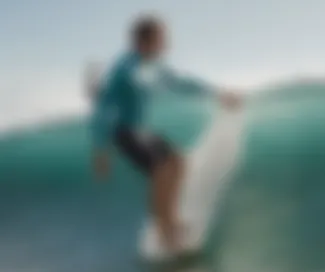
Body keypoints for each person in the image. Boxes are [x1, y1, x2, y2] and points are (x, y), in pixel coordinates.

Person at [91, 15, 240, 251]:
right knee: (161, 170)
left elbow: (181, 83)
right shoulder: (125, 68)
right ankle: (165, 229)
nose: (166, 43)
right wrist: (100, 148)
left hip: (141, 130)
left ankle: (170, 220)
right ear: (144, 42)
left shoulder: (152, 65)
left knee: (178, 162)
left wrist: (217, 93)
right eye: (161, 38)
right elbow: (105, 108)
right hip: (123, 132)